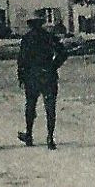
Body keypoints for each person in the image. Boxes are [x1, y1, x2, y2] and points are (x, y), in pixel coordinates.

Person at [17, 15, 68, 149]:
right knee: (50, 107)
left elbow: (21, 60)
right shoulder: (49, 37)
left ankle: (29, 134)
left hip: (32, 76)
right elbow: (63, 53)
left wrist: (21, 76)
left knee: (30, 106)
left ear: (30, 25)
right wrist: (53, 66)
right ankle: (50, 137)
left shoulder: (26, 39)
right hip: (48, 75)